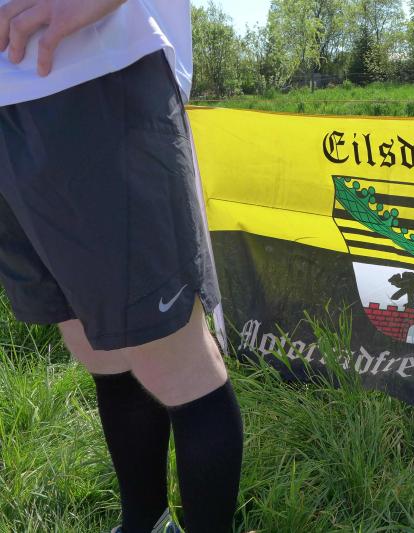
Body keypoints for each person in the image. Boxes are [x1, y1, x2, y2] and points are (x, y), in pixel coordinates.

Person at [0, 1, 243, 532]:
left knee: (175, 363)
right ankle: (144, 523)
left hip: (92, 76)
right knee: (99, 350)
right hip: (11, 107)